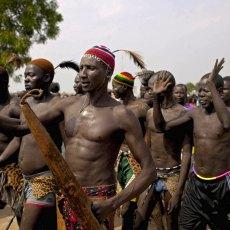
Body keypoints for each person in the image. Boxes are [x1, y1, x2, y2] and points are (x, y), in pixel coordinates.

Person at [0, 45, 156, 229]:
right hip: (65, 194)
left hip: (98, 199)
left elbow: (149, 171)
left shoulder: (121, 114)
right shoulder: (67, 105)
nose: (82, 73)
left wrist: (112, 203)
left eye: (90, 68)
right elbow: (21, 126)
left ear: (107, 72)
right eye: (81, 67)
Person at [152, 59, 230, 229]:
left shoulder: (226, 113)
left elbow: (226, 124)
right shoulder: (194, 114)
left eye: (207, 90)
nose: (201, 94)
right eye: (200, 90)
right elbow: (161, 127)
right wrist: (157, 98)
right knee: (186, 225)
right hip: (196, 184)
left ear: (217, 91)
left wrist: (211, 83)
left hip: (221, 185)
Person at [0, 59, 62, 229]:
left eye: (31, 75)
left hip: (43, 179)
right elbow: (19, 138)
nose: (26, 79)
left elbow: (67, 142)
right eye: (25, 75)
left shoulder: (56, 105)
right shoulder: (27, 104)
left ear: (47, 77)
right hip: (25, 178)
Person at [134, 71, 192, 230]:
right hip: (151, 173)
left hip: (172, 175)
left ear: (166, 88)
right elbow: (148, 143)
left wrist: (179, 190)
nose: (150, 91)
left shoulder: (183, 114)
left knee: (171, 222)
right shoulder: (150, 112)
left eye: (153, 87)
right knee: (140, 219)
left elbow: (186, 152)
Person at [112, 72, 150, 229]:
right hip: (121, 161)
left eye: (115, 86)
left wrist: (143, 158)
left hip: (136, 162)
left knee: (130, 205)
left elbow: (150, 134)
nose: (112, 89)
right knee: (123, 206)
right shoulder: (118, 107)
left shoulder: (141, 107)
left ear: (125, 87)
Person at [0, 66, 23, 224]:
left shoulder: (15, 106)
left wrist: (1, 158)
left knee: (21, 213)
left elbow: (20, 137)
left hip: (12, 170)